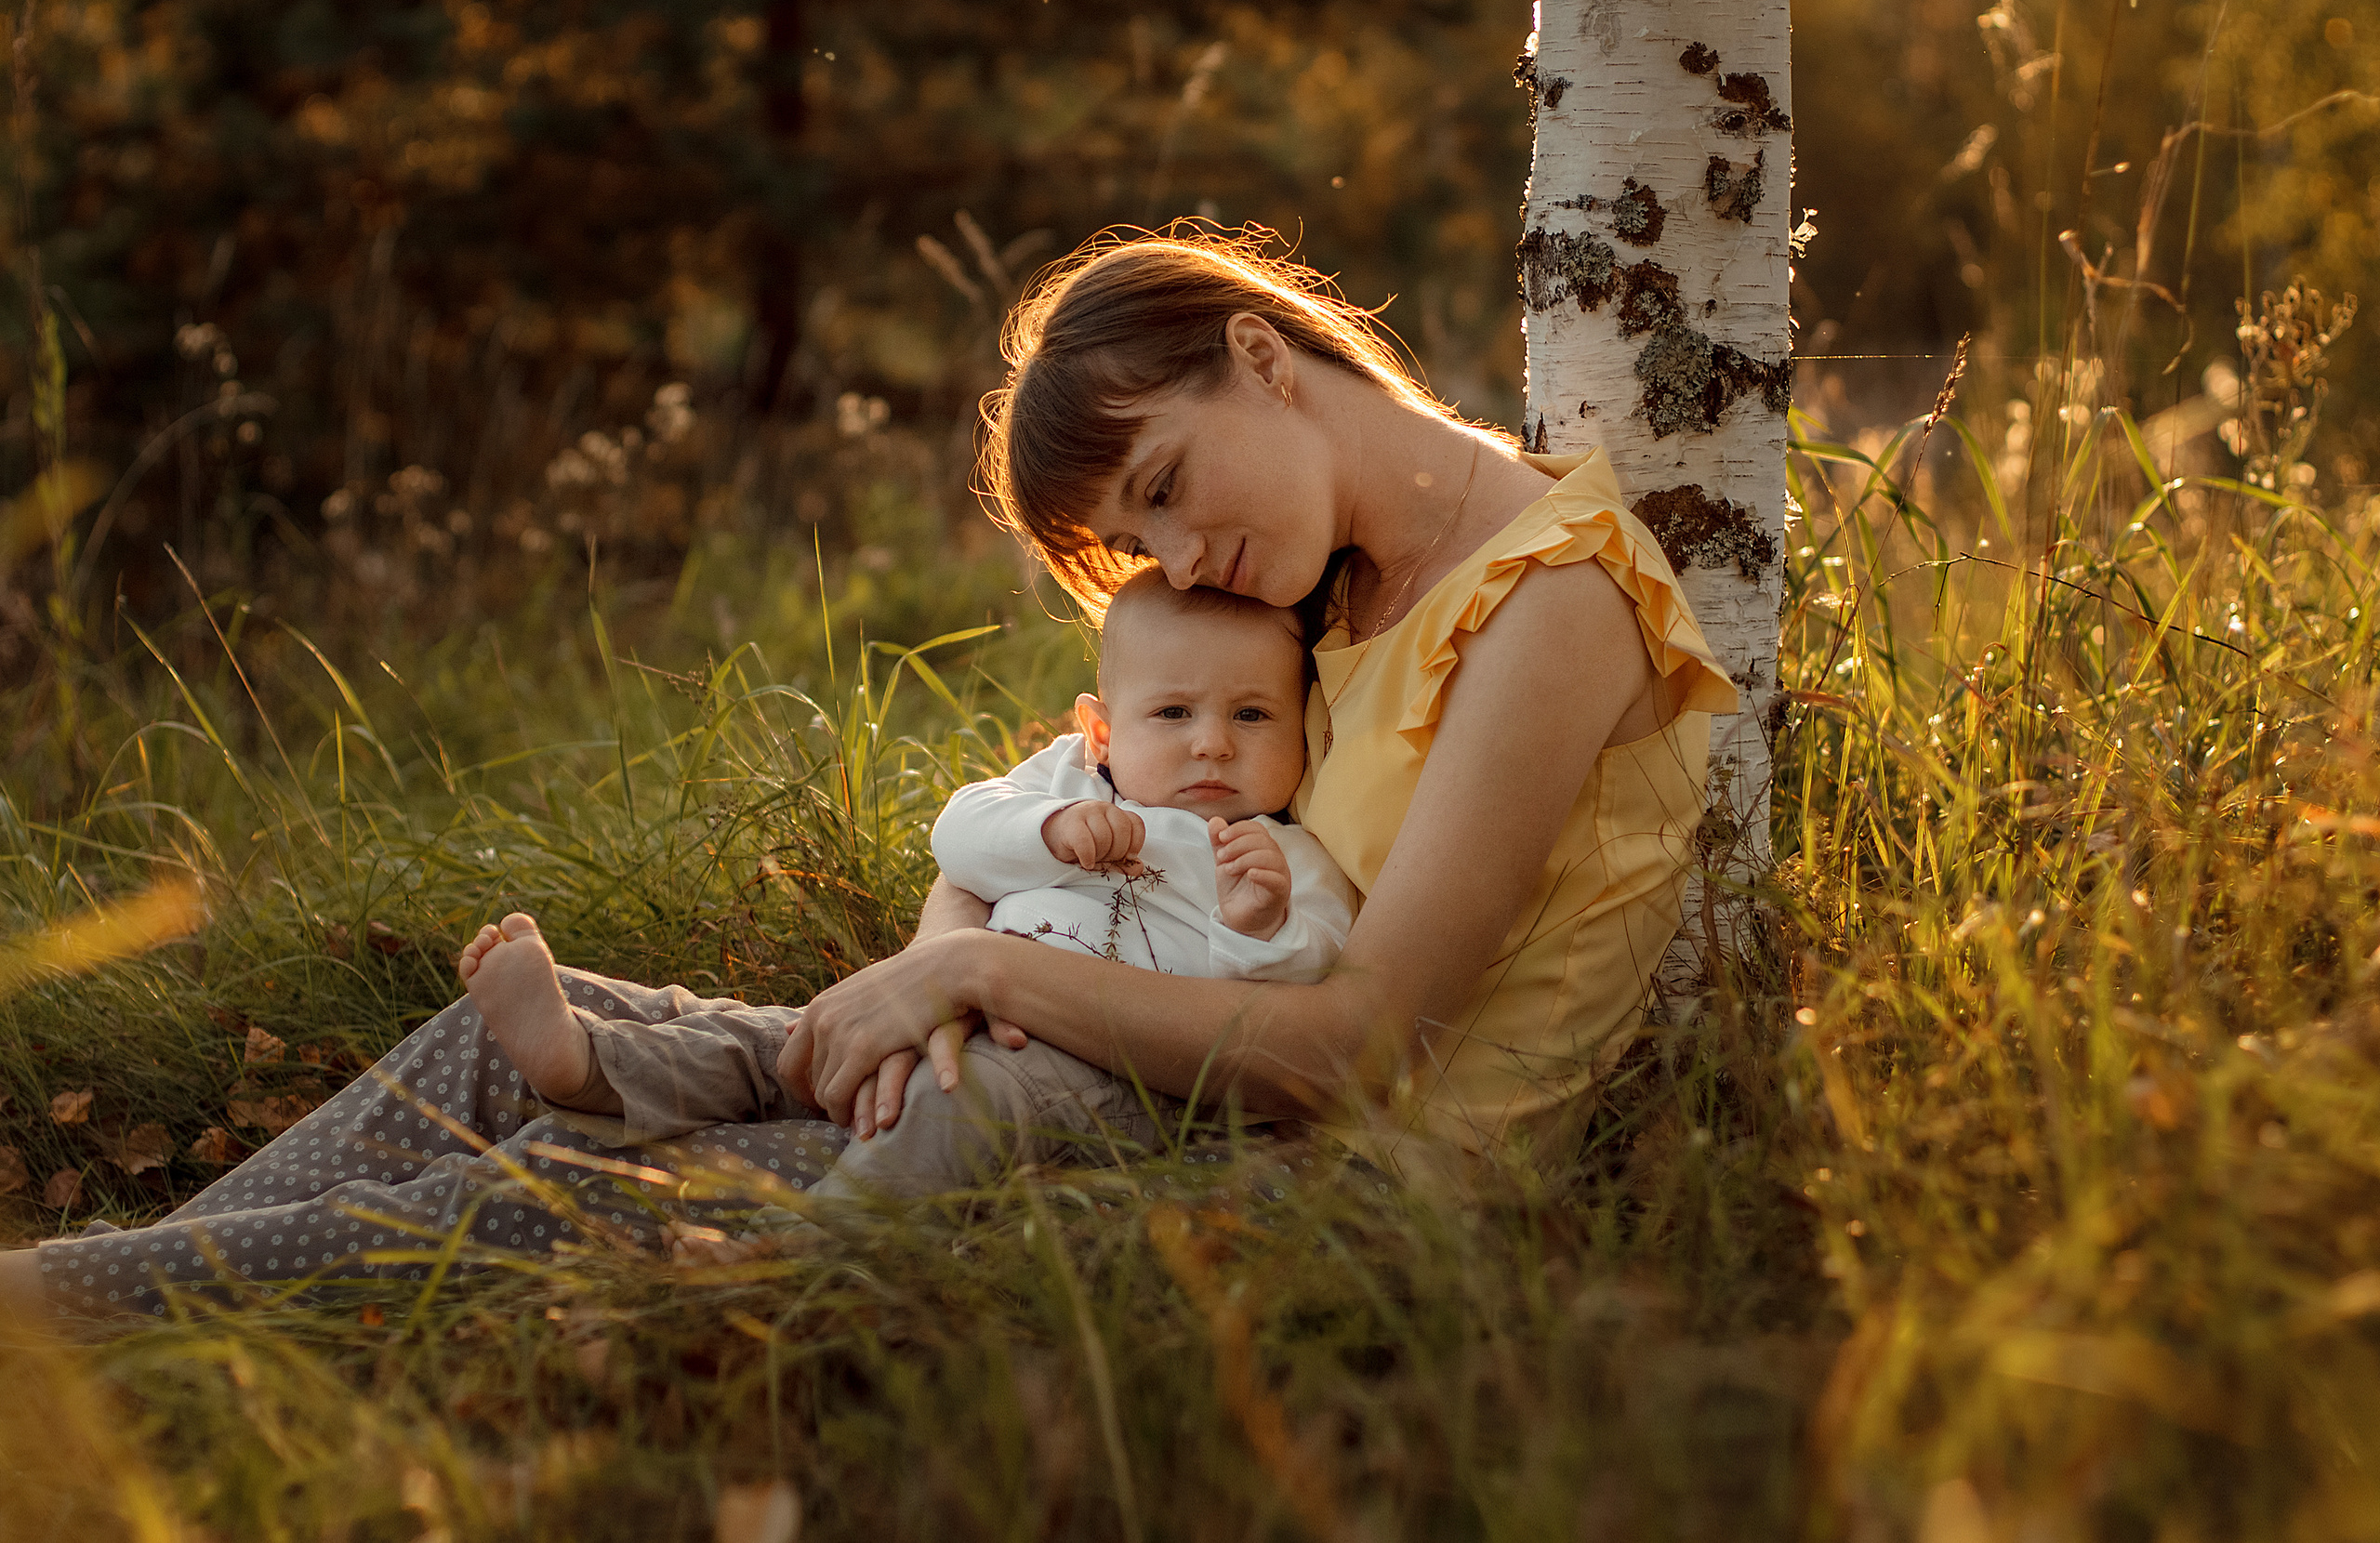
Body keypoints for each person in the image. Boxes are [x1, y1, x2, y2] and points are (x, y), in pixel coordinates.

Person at [0, 227, 1735, 1327]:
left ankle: (67, 1343)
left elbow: (1355, 1055)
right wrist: (932, 979)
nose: (1183, 554)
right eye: (1141, 540)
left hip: (1328, 1196)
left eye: (1170, 484)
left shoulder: (1553, 598)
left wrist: (975, 974)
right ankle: (62, 1308)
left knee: (565, 1194)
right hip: (1092, 1077)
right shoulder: (1303, 584)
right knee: (499, 1044)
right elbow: (1044, 802)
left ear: (1264, 357)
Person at [455, 572, 1356, 1204]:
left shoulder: (1279, 855)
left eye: (1251, 714)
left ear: (1303, 732)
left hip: (1106, 1067)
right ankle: (590, 1065)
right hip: (950, 1004)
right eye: (1173, 713)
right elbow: (958, 834)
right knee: (796, 1045)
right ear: (1103, 731)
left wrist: (1254, 926)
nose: (1211, 744)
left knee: (956, 1110)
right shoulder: (1066, 783)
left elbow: (1301, 987)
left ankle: (815, 1243)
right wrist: (1044, 831)